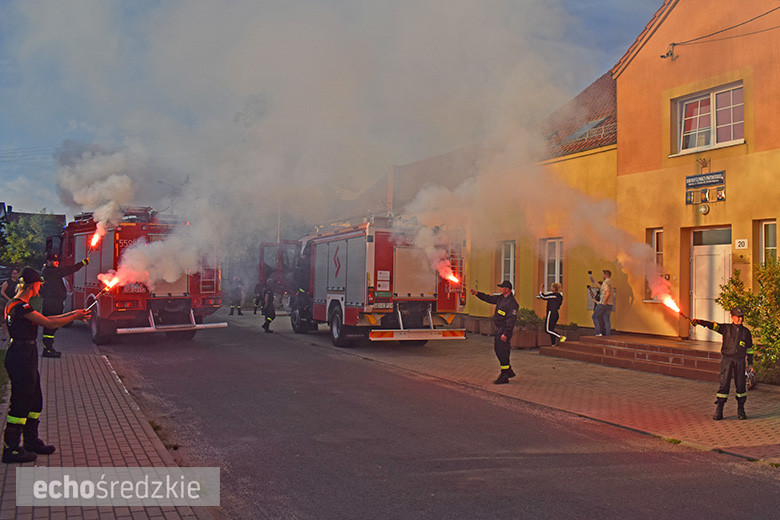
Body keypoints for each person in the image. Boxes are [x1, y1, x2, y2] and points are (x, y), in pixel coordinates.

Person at [2, 267, 90, 463]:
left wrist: (73, 313)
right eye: (39, 284)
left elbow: (47, 319)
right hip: (21, 355)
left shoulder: (16, 303)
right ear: (34, 285)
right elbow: (48, 325)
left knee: (34, 400)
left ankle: (31, 441)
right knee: (21, 401)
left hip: (26, 353)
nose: (40, 287)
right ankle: (11, 448)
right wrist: (74, 317)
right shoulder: (20, 307)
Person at [692, 307, 754, 421]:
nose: (740, 319)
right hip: (727, 360)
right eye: (737, 316)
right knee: (724, 384)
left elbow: (749, 349)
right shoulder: (726, 328)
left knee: (741, 385)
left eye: (741, 317)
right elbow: (712, 325)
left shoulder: (746, 332)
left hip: (740, 361)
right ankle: (719, 410)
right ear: (732, 317)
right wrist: (699, 322)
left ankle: (741, 410)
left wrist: (750, 364)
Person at [40, 253, 89, 358]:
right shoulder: (50, 272)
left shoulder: (50, 271)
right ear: (48, 262)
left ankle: (48, 348)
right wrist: (82, 263)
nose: (56, 262)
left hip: (54, 303)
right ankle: (47, 349)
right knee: (50, 326)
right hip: (51, 304)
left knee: (52, 327)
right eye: (54, 261)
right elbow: (68, 270)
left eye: (57, 261)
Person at [470, 281, 519, 385]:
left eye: (502, 287)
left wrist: (505, 333)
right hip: (499, 328)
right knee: (500, 350)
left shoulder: (512, 303)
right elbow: (489, 298)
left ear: (507, 289)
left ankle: (504, 374)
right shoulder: (501, 298)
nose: (500, 289)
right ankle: (508, 370)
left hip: (504, 329)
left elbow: (511, 320)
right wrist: (477, 294)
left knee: (501, 351)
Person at [590, 269, 614, 336]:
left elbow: (607, 293)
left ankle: (598, 332)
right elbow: (601, 288)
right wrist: (594, 281)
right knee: (606, 319)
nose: (602, 276)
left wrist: (604, 302)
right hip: (610, 304)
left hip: (604, 303)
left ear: (605, 275)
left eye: (603, 274)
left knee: (594, 316)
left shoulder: (606, 282)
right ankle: (608, 334)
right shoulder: (610, 282)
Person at [1, 267, 20, 342]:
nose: (15, 275)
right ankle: (3, 335)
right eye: (13, 273)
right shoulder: (7, 282)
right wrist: (9, 299)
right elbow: (2, 292)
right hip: (5, 301)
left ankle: (12, 335)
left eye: (16, 273)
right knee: (4, 319)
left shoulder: (18, 283)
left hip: (14, 302)